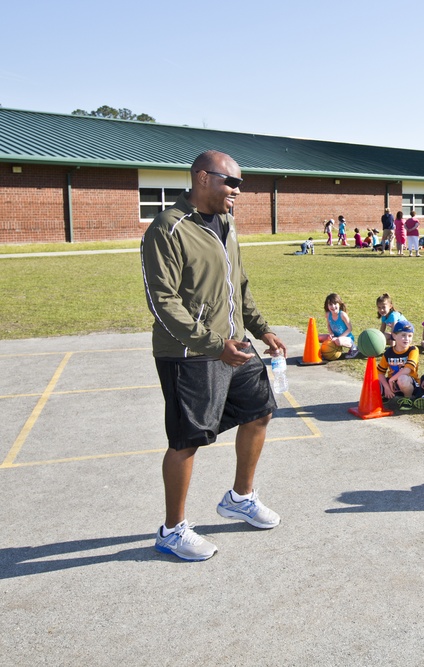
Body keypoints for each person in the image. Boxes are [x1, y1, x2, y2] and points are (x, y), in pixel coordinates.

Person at [141, 150, 286, 562]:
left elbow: (238, 283)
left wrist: (262, 329)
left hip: (234, 344)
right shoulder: (167, 229)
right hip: (189, 352)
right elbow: (162, 301)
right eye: (231, 182)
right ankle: (172, 530)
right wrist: (212, 344)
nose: (237, 191)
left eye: (240, 184)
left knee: (260, 412)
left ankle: (240, 498)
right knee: (188, 440)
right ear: (203, 178)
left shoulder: (226, 223)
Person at [376, 320, 421, 406]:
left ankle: (408, 399)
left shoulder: (413, 350)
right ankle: (386, 396)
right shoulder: (388, 352)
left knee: (402, 379)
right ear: (394, 336)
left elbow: (407, 370)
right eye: (403, 335)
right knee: (375, 382)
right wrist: (386, 387)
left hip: (409, 382)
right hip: (392, 384)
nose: (407, 339)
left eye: (410, 336)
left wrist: (392, 380)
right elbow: (380, 373)